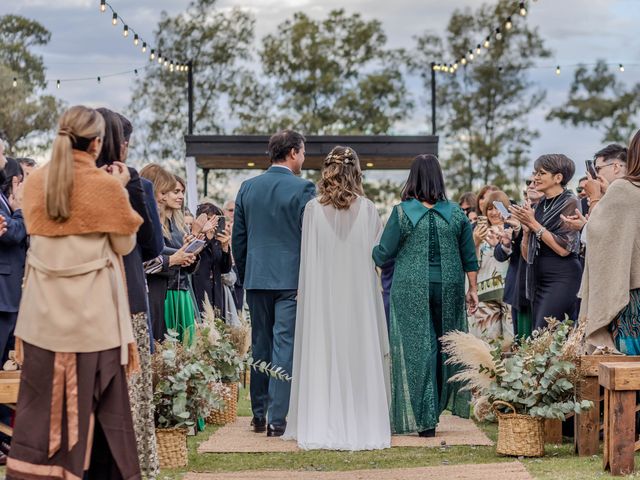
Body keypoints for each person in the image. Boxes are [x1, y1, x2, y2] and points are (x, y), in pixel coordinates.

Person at [8, 105, 142, 479]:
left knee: (40, 413)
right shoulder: (103, 186)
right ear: (97, 143)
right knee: (104, 418)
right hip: (93, 323)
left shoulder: (36, 182)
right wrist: (118, 188)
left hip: (41, 321)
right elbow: (125, 243)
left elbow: (33, 224)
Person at [284, 146, 391, 450]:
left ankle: (322, 417)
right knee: (358, 351)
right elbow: (376, 259)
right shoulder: (369, 209)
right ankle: (361, 417)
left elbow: (308, 263)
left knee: (325, 349)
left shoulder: (313, 210)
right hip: (358, 299)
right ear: (356, 171)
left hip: (324, 297)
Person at [373, 154, 479, 437]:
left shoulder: (401, 213)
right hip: (450, 287)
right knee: (446, 346)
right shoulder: (456, 213)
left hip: (410, 287)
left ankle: (424, 419)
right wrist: (474, 289)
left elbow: (384, 253)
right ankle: (438, 407)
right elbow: (469, 256)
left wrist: (367, 249)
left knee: (418, 349)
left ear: (413, 178)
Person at [232, 129, 316, 437]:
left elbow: (237, 240)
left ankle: (258, 415)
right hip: (291, 280)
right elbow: (311, 239)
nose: (303, 159)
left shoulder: (247, 187)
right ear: (293, 152)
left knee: (260, 346)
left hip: (256, 278)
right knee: (284, 346)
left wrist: (246, 273)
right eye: (303, 153)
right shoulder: (304, 188)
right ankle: (278, 420)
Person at [96, 108, 162, 480]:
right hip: (124, 296)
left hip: (83, 301)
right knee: (131, 393)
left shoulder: (66, 181)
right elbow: (151, 246)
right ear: (121, 144)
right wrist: (133, 185)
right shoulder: (135, 183)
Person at [581, 134, 640, 353]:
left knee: (627, 366)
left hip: (633, 291)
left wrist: (596, 197)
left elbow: (596, 234)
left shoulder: (624, 189)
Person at [510, 154, 582, 331]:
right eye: (535, 173)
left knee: (544, 333)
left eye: (541, 173)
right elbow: (526, 256)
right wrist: (526, 232)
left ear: (558, 178)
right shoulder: (539, 205)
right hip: (538, 278)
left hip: (562, 277)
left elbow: (564, 249)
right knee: (540, 335)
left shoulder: (570, 201)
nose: (535, 178)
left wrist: (533, 224)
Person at [140, 164, 196, 343]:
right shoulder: (142, 221)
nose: (165, 198)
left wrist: (189, 255)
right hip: (152, 292)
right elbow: (141, 260)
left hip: (170, 289)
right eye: (166, 192)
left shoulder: (176, 225)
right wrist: (173, 259)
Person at [496, 177, 542, 340]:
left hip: (542, 284)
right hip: (519, 287)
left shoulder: (547, 212)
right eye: (528, 183)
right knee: (520, 342)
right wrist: (509, 240)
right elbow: (500, 254)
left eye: (536, 183)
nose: (531, 185)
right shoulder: (515, 216)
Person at [470, 190, 513, 347]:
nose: (494, 213)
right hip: (485, 293)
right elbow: (472, 263)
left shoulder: (513, 230)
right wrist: (475, 241)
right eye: (489, 208)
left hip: (509, 292)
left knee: (511, 342)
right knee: (488, 344)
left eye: (497, 207)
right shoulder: (478, 232)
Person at [162, 175, 200, 344]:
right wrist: (181, 254)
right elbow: (156, 254)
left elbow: (189, 265)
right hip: (166, 291)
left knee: (186, 348)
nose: (181, 196)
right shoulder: (155, 224)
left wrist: (192, 256)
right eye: (176, 191)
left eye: (182, 192)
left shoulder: (180, 225)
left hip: (182, 290)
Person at [191, 202, 232, 317]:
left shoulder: (217, 240)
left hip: (216, 294)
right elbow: (194, 259)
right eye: (209, 219)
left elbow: (225, 269)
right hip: (199, 291)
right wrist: (206, 237)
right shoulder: (195, 237)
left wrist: (225, 248)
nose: (212, 224)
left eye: (215, 220)